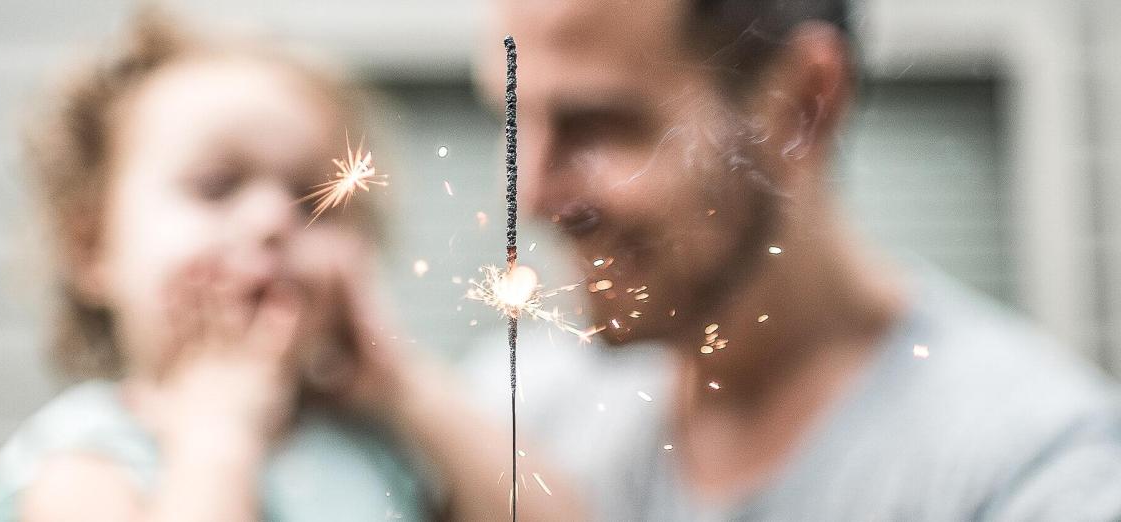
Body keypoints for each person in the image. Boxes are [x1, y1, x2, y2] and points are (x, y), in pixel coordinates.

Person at [469, 0, 1121, 519]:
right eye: (514, 120)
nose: (531, 196)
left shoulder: (1037, 471)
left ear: (804, 102)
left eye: (597, 124)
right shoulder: (523, 412)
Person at [0, 7, 584, 521]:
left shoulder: (384, 447)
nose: (271, 221)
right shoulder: (86, 460)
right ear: (92, 248)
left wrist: (401, 383)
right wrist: (220, 436)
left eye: (315, 201)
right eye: (216, 185)